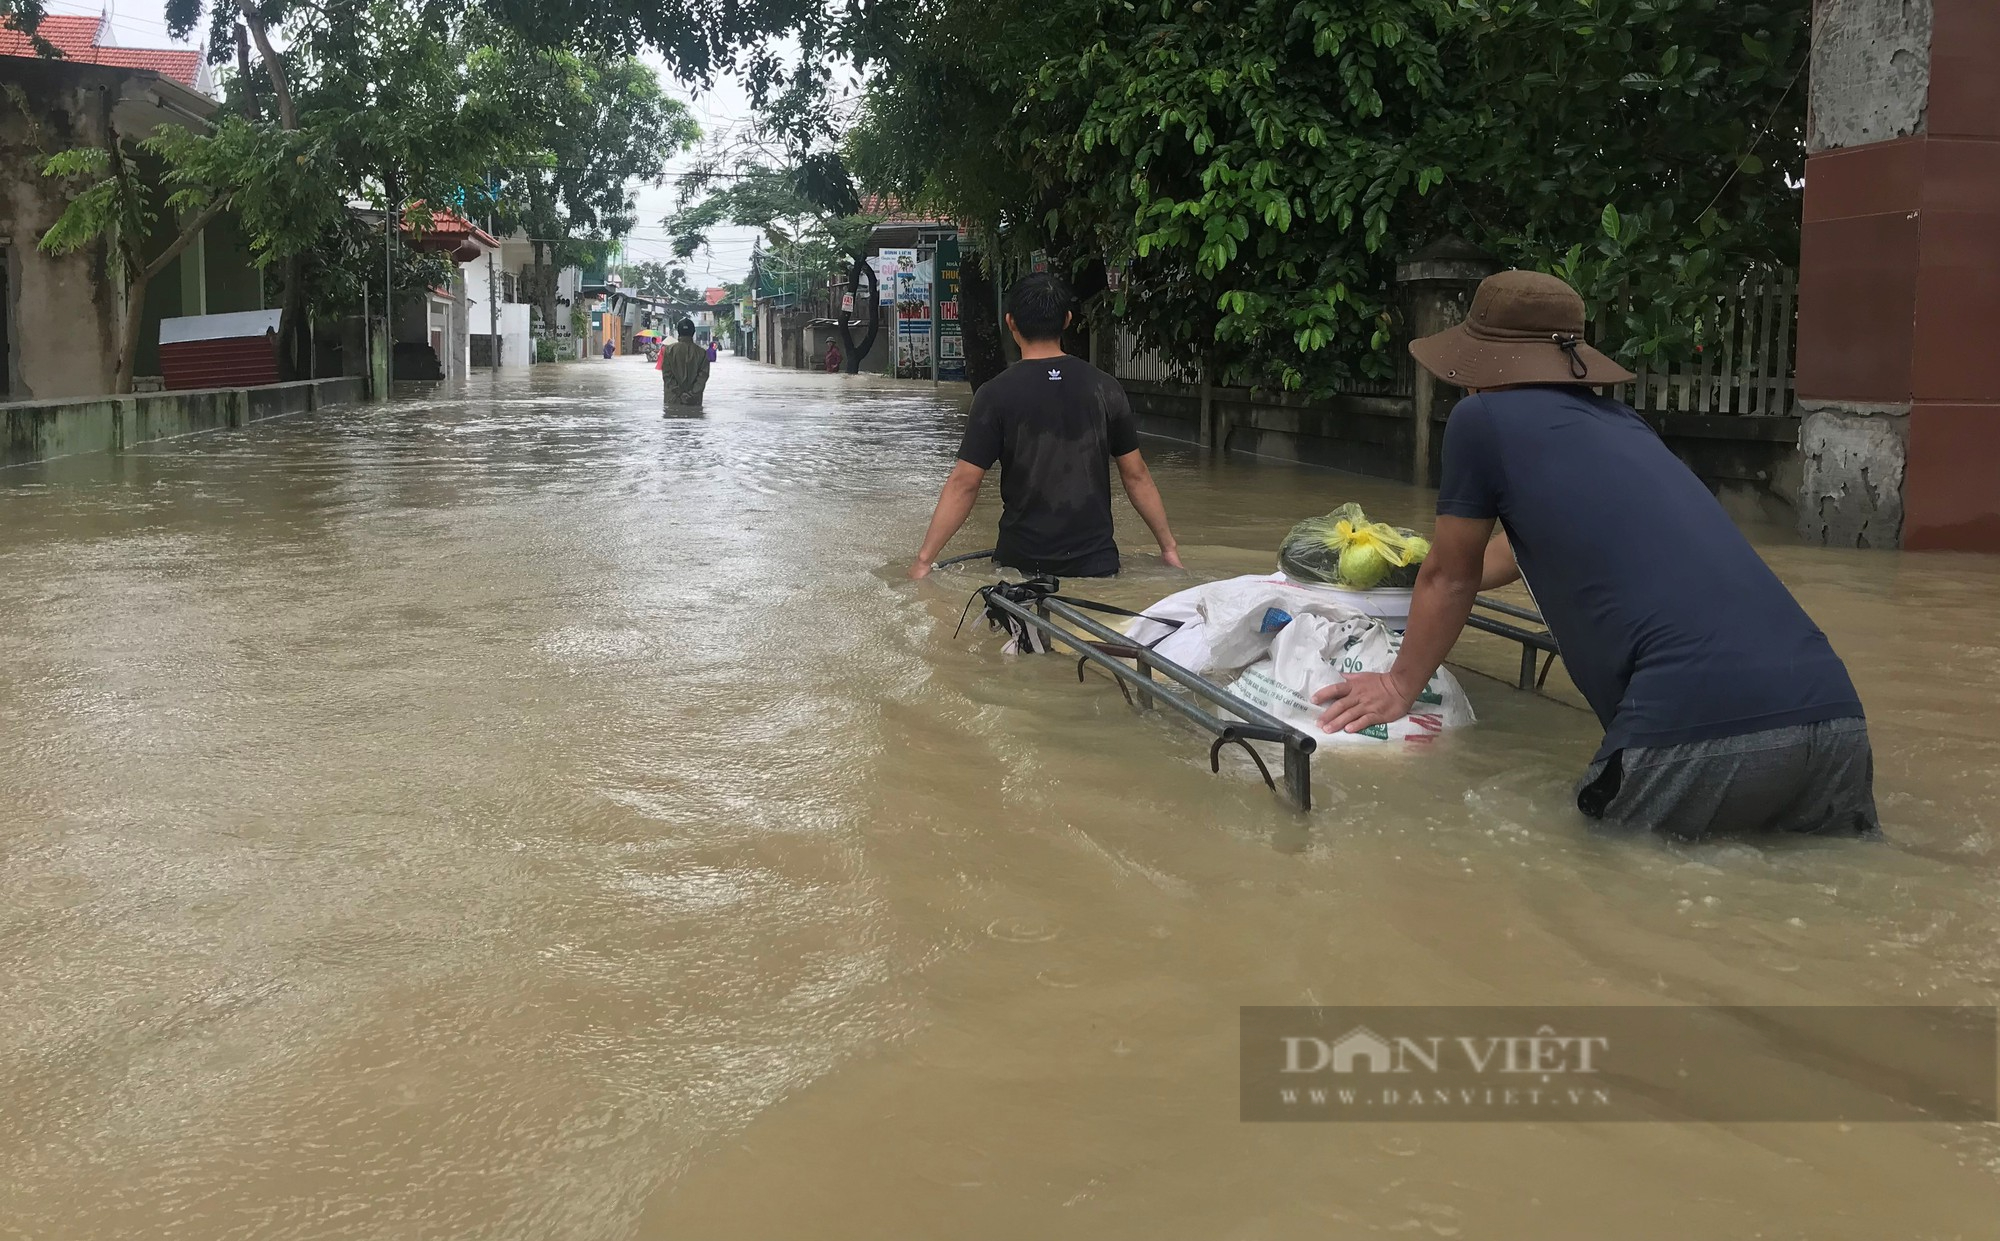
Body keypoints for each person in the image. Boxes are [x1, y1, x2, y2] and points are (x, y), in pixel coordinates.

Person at [1312, 269, 1876, 841]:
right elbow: (1514, 553)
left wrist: (1397, 685)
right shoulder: (1625, 426)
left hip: (1692, 730)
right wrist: (1407, 569)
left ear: (1481, 369)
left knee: (1599, 886)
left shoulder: (1479, 420)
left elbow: (1451, 577)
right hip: (1833, 722)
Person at [909, 273, 1181, 580]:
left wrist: (924, 560)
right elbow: (1136, 475)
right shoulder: (1106, 388)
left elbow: (964, 483)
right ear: (1067, 320)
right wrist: (1168, 549)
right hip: (1097, 566)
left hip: (1021, 567)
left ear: (1010, 322)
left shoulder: (994, 394)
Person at [659, 319, 710, 409]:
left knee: (673, 420)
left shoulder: (669, 351)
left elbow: (667, 376)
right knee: (694, 421)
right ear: (693, 333)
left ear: (678, 332)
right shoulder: (702, 353)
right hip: (694, 400)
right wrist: (691, 394)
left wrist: (679, 393)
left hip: (673, 399)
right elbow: (702, 377)